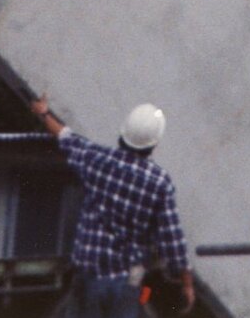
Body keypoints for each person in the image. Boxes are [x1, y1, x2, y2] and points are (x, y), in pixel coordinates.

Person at [30, 94, 195, 317]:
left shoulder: (97, 160)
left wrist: (43, 112)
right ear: (154, 143)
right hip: (126, 282)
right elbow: (173, 243)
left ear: (123, 133)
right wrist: (186, 284)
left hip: (87, 277)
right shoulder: (158, 183)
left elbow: (65, 137)